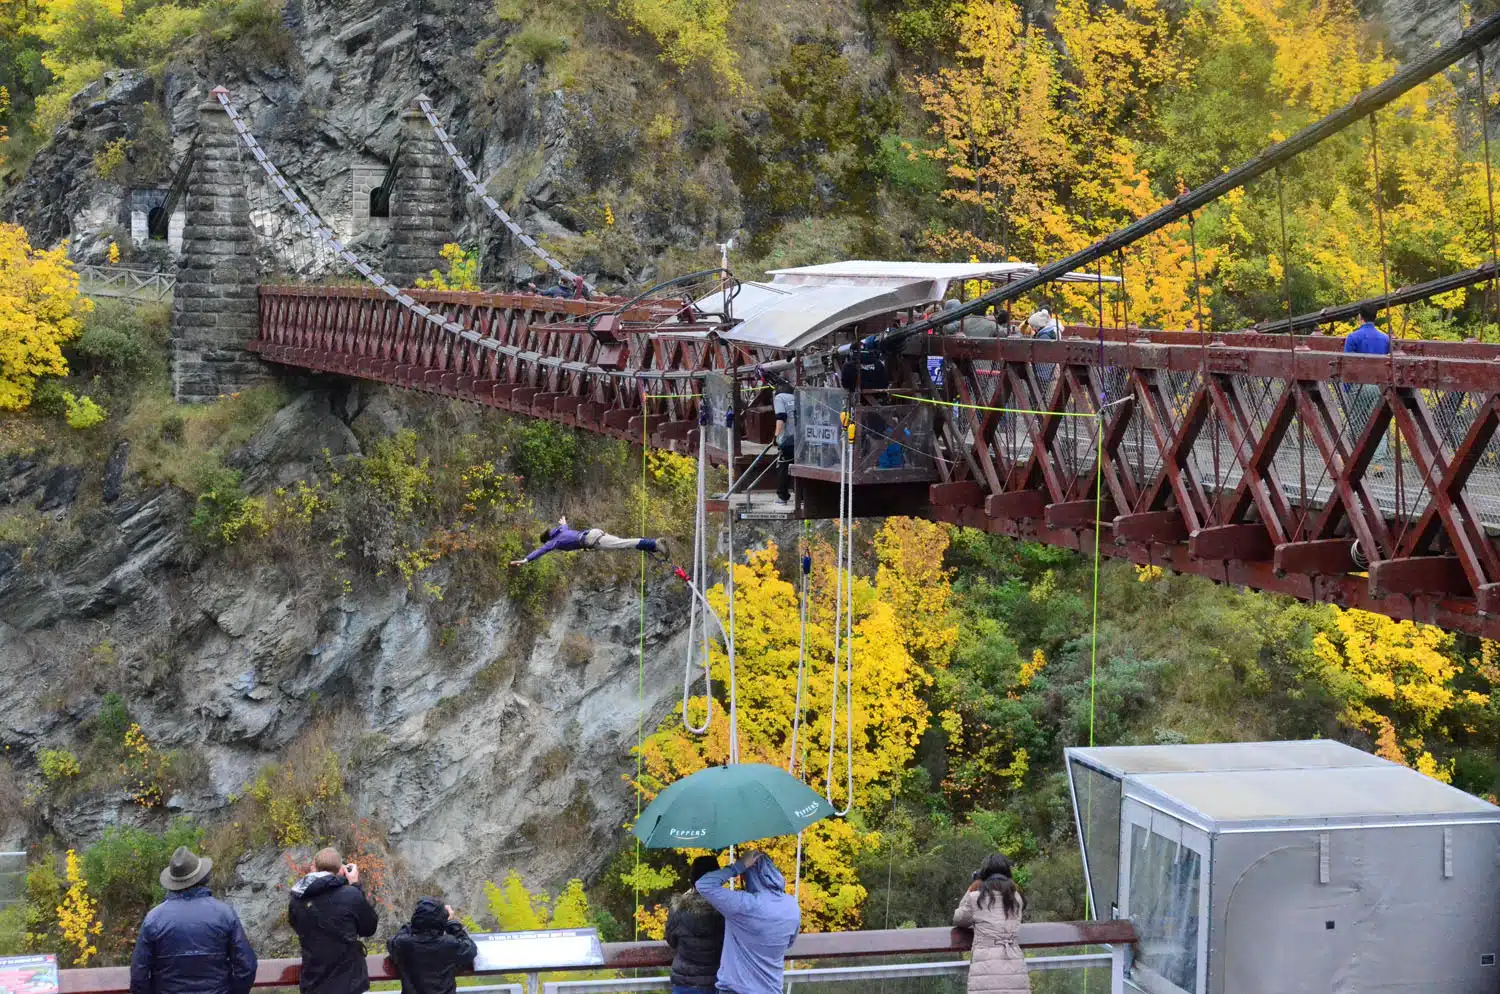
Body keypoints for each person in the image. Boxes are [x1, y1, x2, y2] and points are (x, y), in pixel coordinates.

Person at [130, 847, 257, 994]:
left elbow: (139, 974)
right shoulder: (224, 914)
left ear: (173, 882)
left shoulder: (154, 918)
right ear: (203, 878)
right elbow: (247, 966)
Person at [695, 850, 800, 994]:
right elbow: (789, 943)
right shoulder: (791, 905)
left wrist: (738, 866)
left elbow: (703, 884)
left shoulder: (745, 905)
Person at [289, 848, 379, 994]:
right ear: (341, 870)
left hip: (313, 983)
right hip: (350, 984)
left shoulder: (297, 900)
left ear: (313, 867)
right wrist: (356, 886)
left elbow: (296, 926)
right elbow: (369, 928)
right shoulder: (350, 895)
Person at [953, 854, 1029, 994]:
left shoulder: (976, 898)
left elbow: (959, 918)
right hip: (1014, 963)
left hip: (985, 966)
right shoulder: (1016, 898)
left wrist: (972, 888)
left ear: (983, 875)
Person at [388, 898, 477, 994]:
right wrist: (451, 922)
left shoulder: (403, 944)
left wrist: (415, 923)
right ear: (441, 921)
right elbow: (470, 948)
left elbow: (393, 941)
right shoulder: (449, 945)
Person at [665, 856, 726, 994]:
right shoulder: (726, 908)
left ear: (692, 879)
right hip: (718, 980)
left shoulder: (678, 909)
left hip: (685, 982)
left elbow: (671, 940)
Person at [1343, 303, 1392, 466]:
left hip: (1360, 386)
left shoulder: (1353, 337)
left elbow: (1348, 364)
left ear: (1359, 317)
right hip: (1379, 386)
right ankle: (1378, 463)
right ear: (1375, 317)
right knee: (1378, 424)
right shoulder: (1385, 338)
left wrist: (1347, 388)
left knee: (1356, 423)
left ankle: (1354, 461)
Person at [509, 515, 667, 565]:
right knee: (622, 543)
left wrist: (526, 560)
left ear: (547, 541)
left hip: (593, 540)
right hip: (593, 533)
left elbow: (541, 551)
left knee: (624, 544)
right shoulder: (561, 532)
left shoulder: (552, 543)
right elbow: (564, 525)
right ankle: (652, 547)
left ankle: (654, 544)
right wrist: (563, 521)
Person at [771, 381, 796, 512]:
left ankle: (782, 497)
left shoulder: (779, 398)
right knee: (798, 464)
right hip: (801, 437)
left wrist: (776, 436)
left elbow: (781, 417)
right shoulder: (796, 396)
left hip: (787, 438)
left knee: (783, 465)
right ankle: (802, 495)